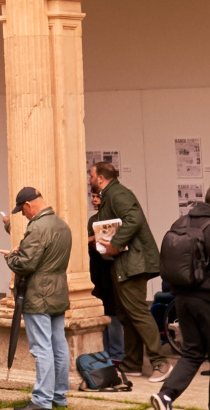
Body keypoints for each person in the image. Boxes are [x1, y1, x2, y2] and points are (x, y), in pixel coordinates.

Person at [150, 184, 210, 410]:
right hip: (209, 299)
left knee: (192, 352)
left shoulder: (180, 222)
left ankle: (166, 396)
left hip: (181, 298)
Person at [89, 162, 167, 382]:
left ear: (101, 178)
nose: (89, 180)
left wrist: (115, 243)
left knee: (138, 312)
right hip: (125, 263)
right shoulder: (111, 194)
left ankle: (160, 363)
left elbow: (134, 219)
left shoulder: (118, 193)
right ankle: (132, 363)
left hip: (133, 264)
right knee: (126, 313)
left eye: (91, 175)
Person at [1, 186, 71, 410]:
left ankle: (41, 401)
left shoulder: (38, 228)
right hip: (58, 291)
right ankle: (59, 396)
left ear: (28, 205)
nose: (24, 215)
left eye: (22, 211)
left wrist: (11, 257)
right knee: (59, 346)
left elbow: (26, 264)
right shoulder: (62, 224)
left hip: (39, 295)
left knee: (42, 349)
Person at [87, 187, 126, 363]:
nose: (94, 200)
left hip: (112, 268)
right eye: (93, 197)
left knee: (113, 313)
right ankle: (105, 353)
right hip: (97, 269)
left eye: (98, 197)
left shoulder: (116, 219)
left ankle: (117, 354)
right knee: (102, 311)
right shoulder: (93, 220)